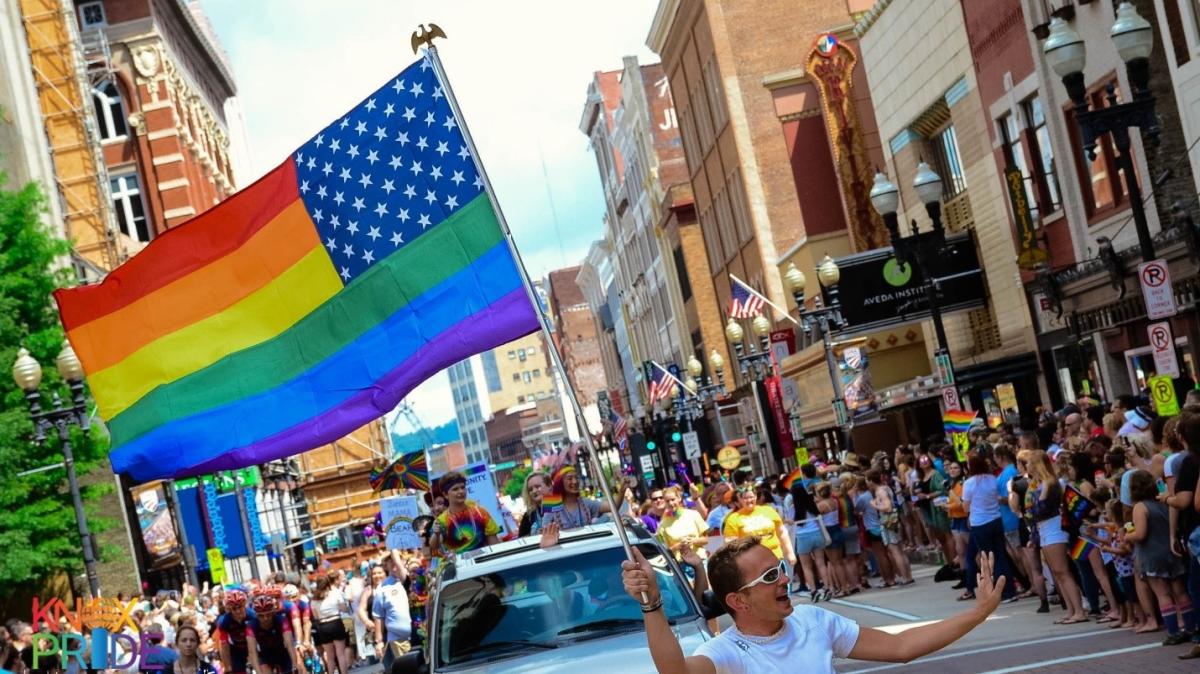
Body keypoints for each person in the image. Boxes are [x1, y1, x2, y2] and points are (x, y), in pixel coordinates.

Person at [620, 536, 1005, 674]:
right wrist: (653, 605)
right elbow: (675, 672)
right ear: (739, 601)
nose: (786, 580)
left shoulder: (812, 620)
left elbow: (901, 648)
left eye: (781, 569)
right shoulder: (726, 654)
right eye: (769, 577)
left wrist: (978, 613)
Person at [1125, 469, 1195, 645]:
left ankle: (1173, 631)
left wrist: (1127, 536)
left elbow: (1140, 534)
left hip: (1151, 554)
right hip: (1170, 551)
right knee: (1180, 591)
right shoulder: (1164, 503)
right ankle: (1191, 627)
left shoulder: (1140, 507)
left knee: (1163, 594)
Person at [1023, 450, 1087, 624]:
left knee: (1063, 571)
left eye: (1029, 463)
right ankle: (1071, 610)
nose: (1026, 466)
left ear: (1038, 465)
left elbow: (1040, 508)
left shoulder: (1049, 482)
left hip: (1053, 526)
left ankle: (1079, 611)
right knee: (1057, 573)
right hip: (1044, 529)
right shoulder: (1038, 483)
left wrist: (1038, 495)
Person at [960, 454, 1016, 603]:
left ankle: (998, 591)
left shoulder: (969, 483)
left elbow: (965, 507)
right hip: (995, 519)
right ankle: (1010, 590)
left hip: (980, 523)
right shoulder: (992, 479)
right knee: (1001, 555)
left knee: (988, 559)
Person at [429, 471, 501, 556]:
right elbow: (434, 546)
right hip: (460, 566)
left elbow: (495, 545)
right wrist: (436, 534)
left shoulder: (481, 512)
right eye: (455, 489)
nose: (461, 491)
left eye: (463, 487)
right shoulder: (441, 520)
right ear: (445, 495)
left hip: (483, 562)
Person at [722, 487, 796, 570]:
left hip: (775, 557)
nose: (749, 500)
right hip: (752, 563)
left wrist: (790, 553)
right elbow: (730, 543)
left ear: (756, 497)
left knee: (782, 582)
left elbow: (782, 533)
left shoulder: (769, 511)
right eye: (745, 498)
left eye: (751, 497)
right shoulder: (733, 518)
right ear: (740, 499)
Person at [541, 464, 627, 530]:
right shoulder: (552, 503)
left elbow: (613, 507)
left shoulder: (585, 502)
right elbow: (544, 531)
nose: (575, 481)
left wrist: (622, 491)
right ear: (560, 483)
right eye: (570, 478)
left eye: (576, 478)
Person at [372, 552, 412, 674]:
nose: (394, 563)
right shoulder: (382, 588)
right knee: (407, 670)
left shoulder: (408, 578)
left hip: (420, 634)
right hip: (397, 639)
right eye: (390, 561)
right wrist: (379, 642)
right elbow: (379, 616)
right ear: (386, 566)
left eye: (396, 560)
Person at [247, 587, 300, 674]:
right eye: (261, 616)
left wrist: (294, 663)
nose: (265, 618)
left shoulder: (281, 620)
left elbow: (289, 643)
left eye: (268, 614)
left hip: (282, 652)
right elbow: (252, 652)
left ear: (273, 612)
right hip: (265, 656)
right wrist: (258, 671)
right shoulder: (251, 625)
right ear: (256, 615)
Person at [657, 486, 709, 562]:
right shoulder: (663, 524)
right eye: (667, 501)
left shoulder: (693, 514)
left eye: (673, 499)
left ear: (679, 498)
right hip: (682, 564)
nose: (671, 503)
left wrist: (693, 541)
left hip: (700, 559)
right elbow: (665, 551)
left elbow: (706, 540)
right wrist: (678, 546)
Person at [215, 589, 255, 674]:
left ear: (245, 605)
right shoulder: (224, 622)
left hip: (253, 644)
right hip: (236, 649)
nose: (237, 611)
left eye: (240, 607)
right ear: (229, 609)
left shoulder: (253, 616)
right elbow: (224, 645)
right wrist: (227, 666)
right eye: (234, 608)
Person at [517, 470, 549, 536]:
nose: (534, 491)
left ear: (549, 485)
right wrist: (535, 535)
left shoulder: (561, 506)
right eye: (530, 489)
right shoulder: (528, 515)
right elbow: (522, 539)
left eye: (538, 487)